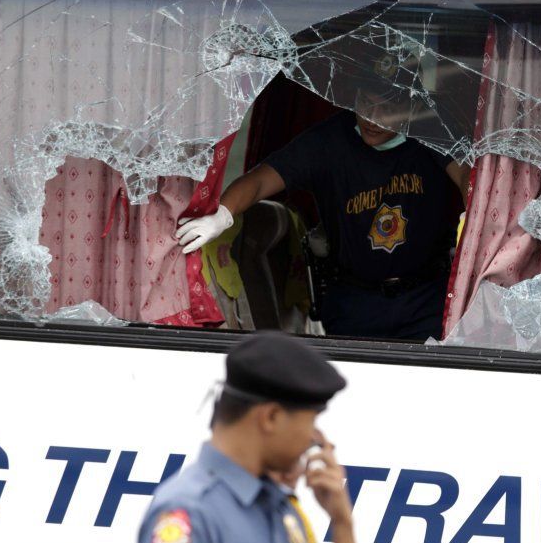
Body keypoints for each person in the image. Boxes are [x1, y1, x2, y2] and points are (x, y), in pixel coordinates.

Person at [176, 93, 469, 341]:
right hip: (353, 301)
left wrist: (477, 213)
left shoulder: (432, 133)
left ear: (412, 106)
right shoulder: (329, 140)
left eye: (387, 108)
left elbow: (468, 176)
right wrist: (223, 215)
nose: (372, 118)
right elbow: (262, 180)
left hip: (426, 298)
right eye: (365, 105)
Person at [138, 332, 354, 543]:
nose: (313, 439)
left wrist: (342, 524)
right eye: (311, 422)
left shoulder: (276, 504)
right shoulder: (189, 513)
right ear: (271, 417)